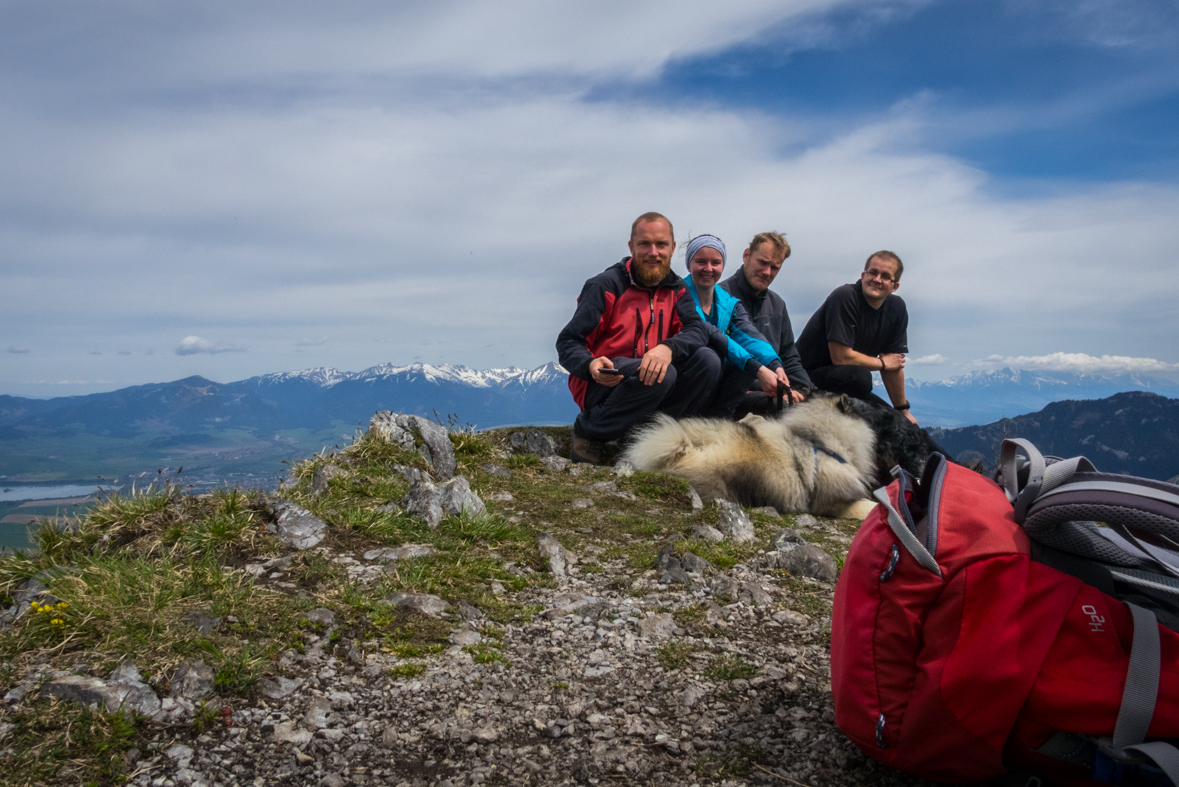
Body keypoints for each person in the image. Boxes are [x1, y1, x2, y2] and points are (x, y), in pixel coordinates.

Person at [556, 212, 719, 464]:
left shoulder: (677, 289)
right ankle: (589, 431)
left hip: (649, 378)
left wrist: (668, 348)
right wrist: (590, 365)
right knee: (663, 374)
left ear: (672, 248)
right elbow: (568, 342)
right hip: (603, 379)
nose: (653, 252)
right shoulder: (605, 286)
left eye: (661, 244)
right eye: (644, 244)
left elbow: (696, 329)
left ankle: (645, 436)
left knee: (708, 361)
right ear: (631, 247)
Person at [796, 250, 918, 424]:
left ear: (894, 286)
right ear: (863, 275)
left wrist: (903, 411)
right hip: (806, 378)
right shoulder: (845, 297)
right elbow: (840, 356)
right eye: (872, 272)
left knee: (900, 424)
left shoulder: (896, 308)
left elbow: (894, 364)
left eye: (885, 276)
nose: (876, 279)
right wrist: (882, 364)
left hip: (846, 383)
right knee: (860, 377)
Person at [681, 234, 789, 418]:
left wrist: (775, 365)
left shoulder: (728, 302)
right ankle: (681, 420)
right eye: (701, 262)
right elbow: (713, 335)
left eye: (715, 263)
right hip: (684, 377)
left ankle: (720, 423)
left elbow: (749, 335)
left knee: (746, 358)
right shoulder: (679, 295)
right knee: (709, 358)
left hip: (711, 381)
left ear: (722, 266)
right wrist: (758, 369)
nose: (708, 268)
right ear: (689, 264)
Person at [718, 231, 812, 415]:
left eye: (775, 267)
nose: (767, 272)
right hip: (732, 393)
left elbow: (789, 356)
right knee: (780, 407)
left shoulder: (777, 305)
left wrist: (803, 390)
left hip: (773, 389)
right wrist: (777, 392)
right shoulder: (720, 297)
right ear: (746, 255)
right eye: (762, 262)